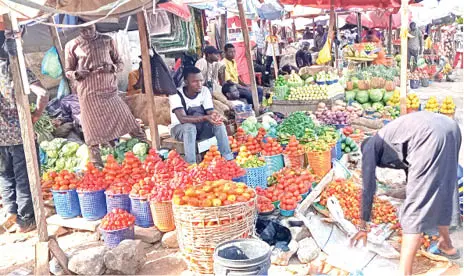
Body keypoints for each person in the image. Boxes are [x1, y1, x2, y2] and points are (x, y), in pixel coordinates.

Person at [350, 111, 461, 275]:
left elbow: (368, 188)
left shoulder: (370, 147)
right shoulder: (393, 138)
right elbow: (415, 177)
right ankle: (447, 245)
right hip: (451, 128)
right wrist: (399, 193)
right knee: (443, 188)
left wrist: (363, 225)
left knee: (412, 213)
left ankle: (404, 273)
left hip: (429, 136)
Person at [65, 24, 146, 167]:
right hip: (88, 94)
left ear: (95, 25)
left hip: (109, 91)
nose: (87, 32)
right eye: (83, 29)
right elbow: (68, 71)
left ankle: (148, 153)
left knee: (129, 121)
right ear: (78, 29)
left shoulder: (107, 40)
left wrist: (112, 68)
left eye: (89, 28)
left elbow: (120, 63)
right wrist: (77, 74)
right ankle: (97, 167)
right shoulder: (72, 45)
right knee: (91, 130)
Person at [0, 31, 49, 233]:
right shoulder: (17, 70)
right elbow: (44, 94)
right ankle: (26, 220)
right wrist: (36, 114)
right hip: (20, 134)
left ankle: (9, 210)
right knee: (25, 177)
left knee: (5, 176)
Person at [169, 67, 233, 164]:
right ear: (186, 82)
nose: (199, 84)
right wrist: (205, 117)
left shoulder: (204, 90)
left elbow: (209, 111)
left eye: (201, 81)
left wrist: (214, 116)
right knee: (189, 128)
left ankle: (228, 158)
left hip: (200, 129)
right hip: (180, 130)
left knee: (218, 124)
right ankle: (191, 165)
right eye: (195, 81)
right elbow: (182, 119)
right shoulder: (175, 95)